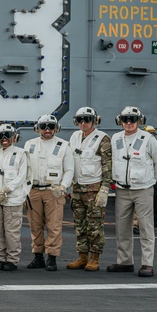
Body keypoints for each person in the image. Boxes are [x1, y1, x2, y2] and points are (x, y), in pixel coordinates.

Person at [108, 106, 157, 277]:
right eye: (125, 119)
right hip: (122, 190)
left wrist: (151, 180)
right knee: (122, 228)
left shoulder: (148, 139)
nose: (129, 122)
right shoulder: (116, 138)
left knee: (146, 228)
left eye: (132, 119)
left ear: (139, 121)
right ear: (120, 121)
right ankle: (125, 262)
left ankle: (147, 264)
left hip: (143, 190)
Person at [23, 114, 74, 272]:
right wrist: (24, 190)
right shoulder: (29, 145)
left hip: (54, 191)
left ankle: (52, 257)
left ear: (56, 128)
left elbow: (69, 170)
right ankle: (38, 256)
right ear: (37, 128)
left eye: (51, 126)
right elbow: (23, 169)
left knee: (54, 225)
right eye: (43, 126)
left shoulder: (64, 146)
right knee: (35, 225)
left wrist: (63, 187)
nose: (47, 130)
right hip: (34, 190)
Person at [66, 107, 112, 271]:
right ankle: (82, 256)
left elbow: (107, 166)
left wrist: (104, 189)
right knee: (80, 225)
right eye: (80, 120)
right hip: (77, 189)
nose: (83, 123)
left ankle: (94, 258)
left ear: (94, 121)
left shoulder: (102, 139)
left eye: (87, 119)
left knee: (94, 226)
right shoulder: (74, 137)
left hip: (94, 190)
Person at [0, 124, 31, 272]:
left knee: (12, 231)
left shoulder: (21, 154)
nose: (4, 139)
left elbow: (22, 176)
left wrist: (6, 190)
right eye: (1, 136)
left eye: (8, 135)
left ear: (14, 137)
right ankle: (0, 258)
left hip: (12, 199)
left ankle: (12, 259)